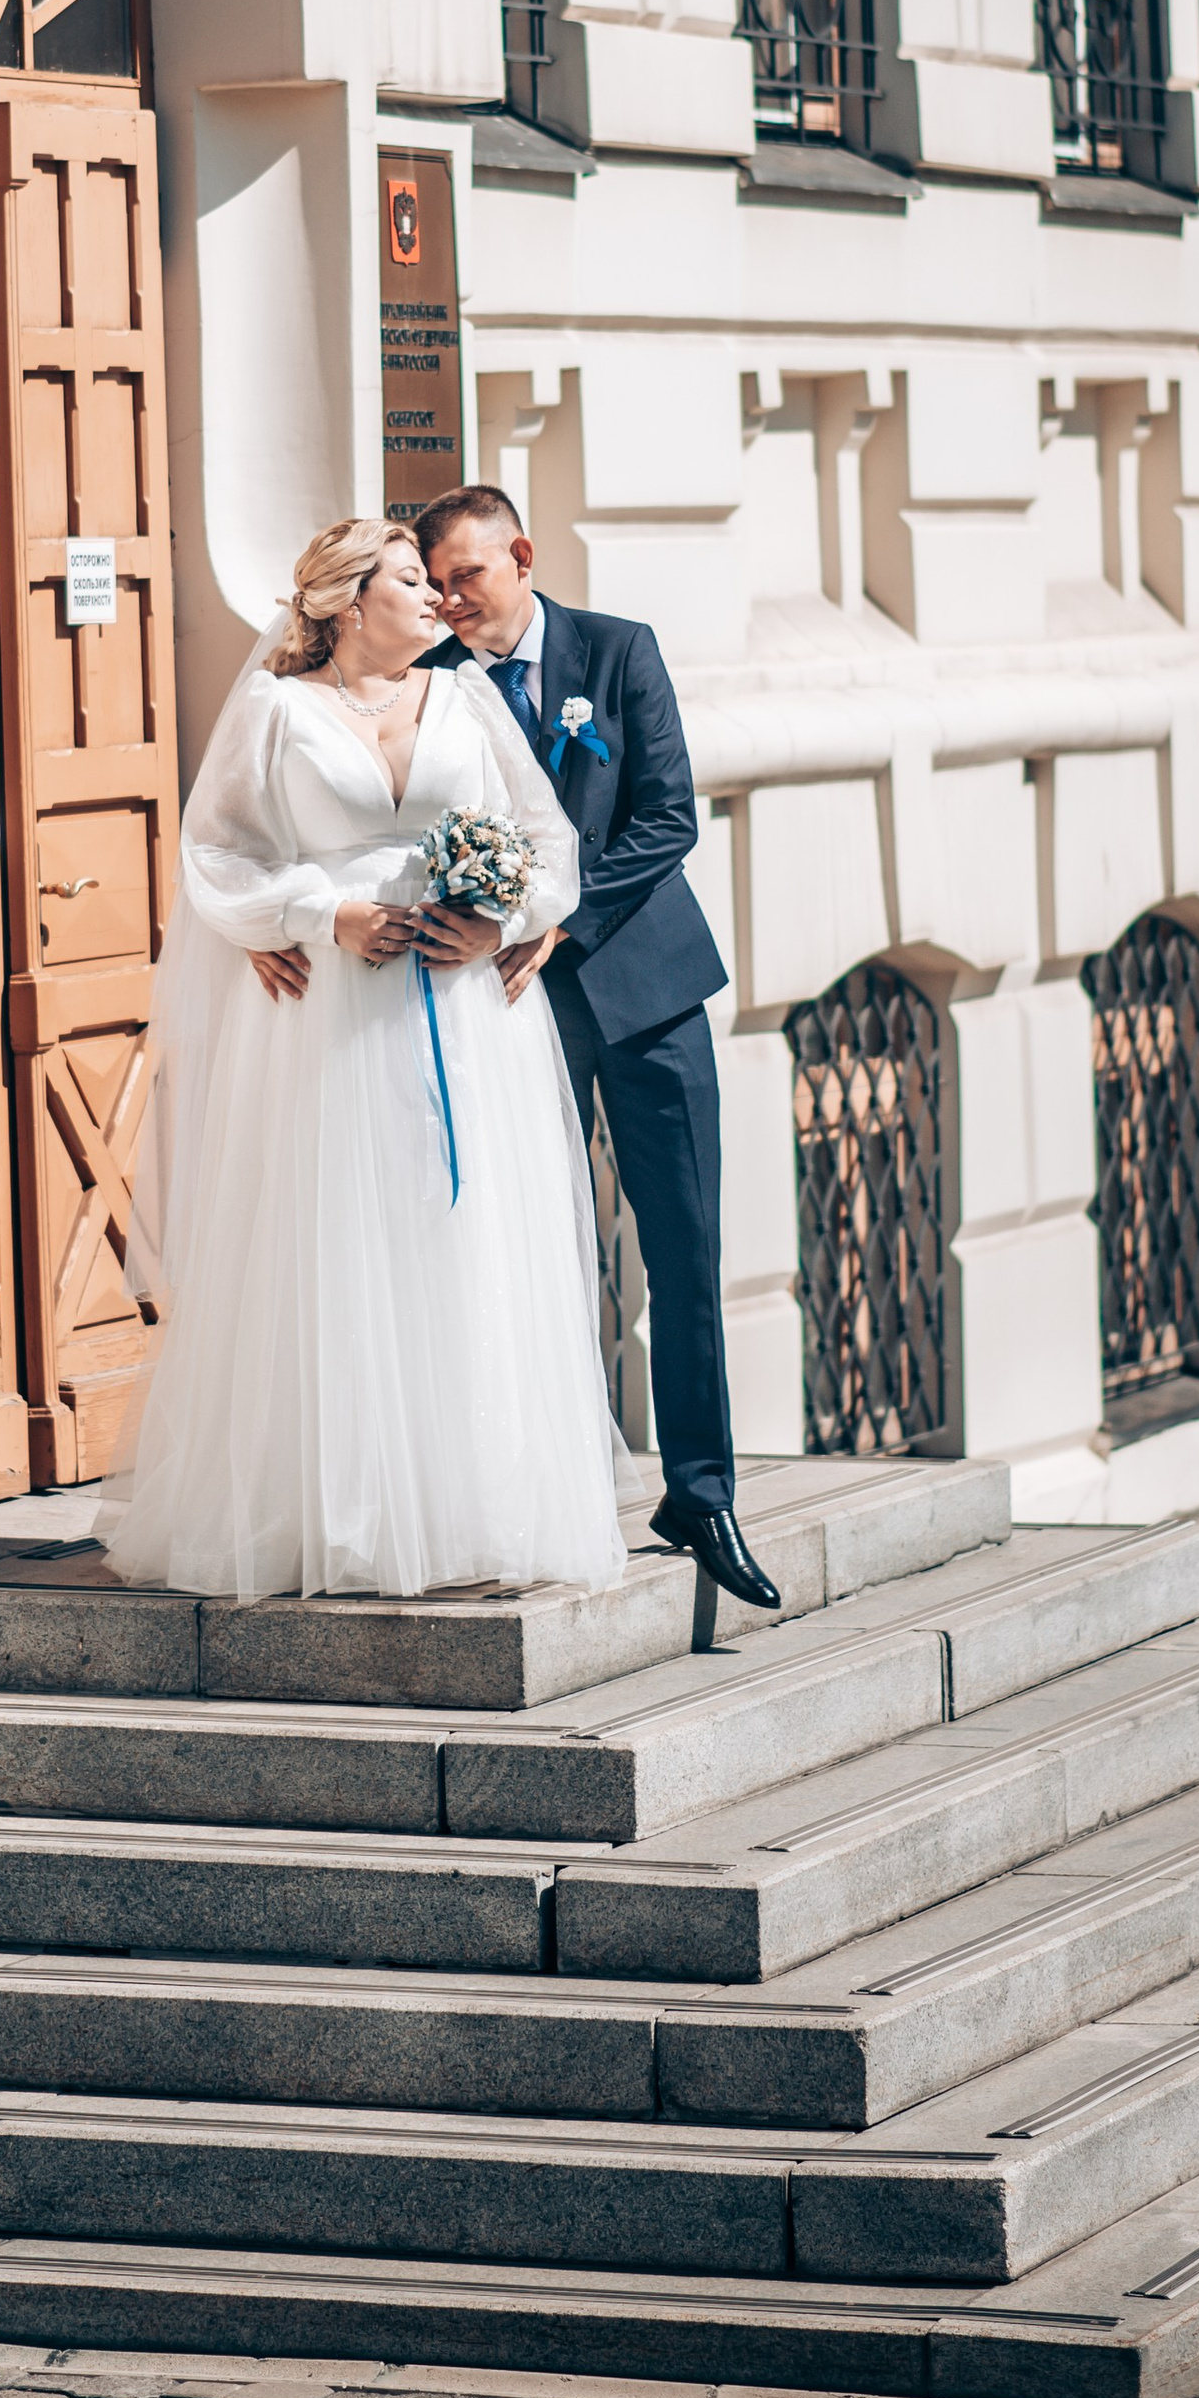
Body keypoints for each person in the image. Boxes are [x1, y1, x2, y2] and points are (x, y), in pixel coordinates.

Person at [96, 517, 632, 1603]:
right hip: (328, 1014)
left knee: (458, 1235)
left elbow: (546, 840)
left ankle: (472, 1502)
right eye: (409, 579)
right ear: (350, 601)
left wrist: (499, 918)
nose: (435, 597)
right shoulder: (277, 710)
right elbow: (217, 853)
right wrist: (317, 912)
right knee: (340, 1236)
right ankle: (336, 1509)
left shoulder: (467, 699)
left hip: (461, 1012)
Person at [410, 483, 780, 1616]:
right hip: (515, 1012)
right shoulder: (431, 684)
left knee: (685, 1249)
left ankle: (702, 1491)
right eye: (435, 583)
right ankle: (548, 1488)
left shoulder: (619, 652)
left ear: (520, 555)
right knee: (537, 1254)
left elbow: (668, 818)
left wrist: (554, 919)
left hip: (650, 991)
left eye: (467, 576)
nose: (450, 600)